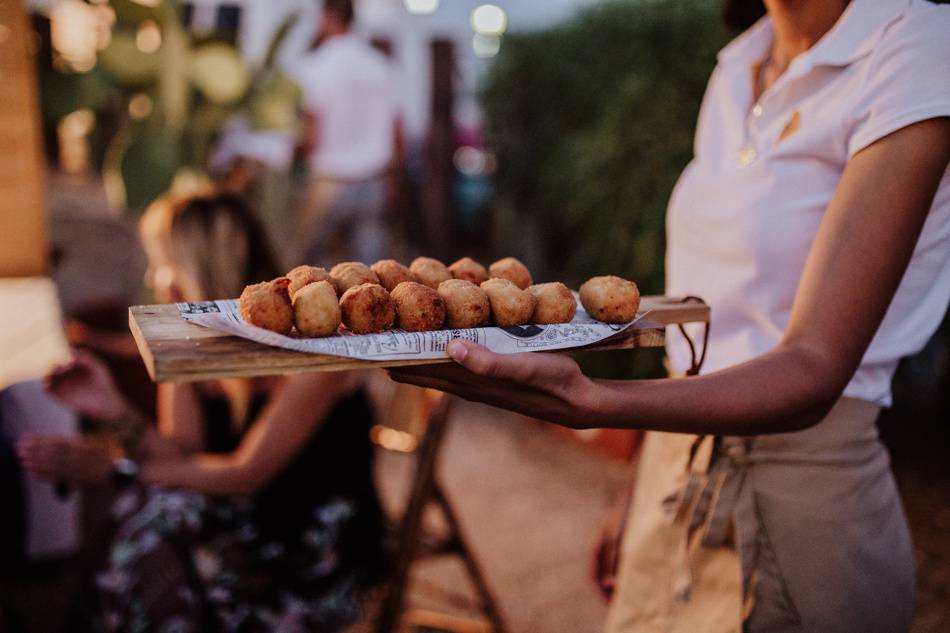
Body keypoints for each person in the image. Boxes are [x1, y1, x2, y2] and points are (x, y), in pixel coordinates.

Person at [390, 0, 950, 632]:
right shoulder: (739, 65)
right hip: (671, 480)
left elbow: (814, 368)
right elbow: (701, 325)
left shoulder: (915, 48)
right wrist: (636, 489)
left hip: (802, 506)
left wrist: (594, 401)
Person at [18, 193, 388, 633]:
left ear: (194, 267)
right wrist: (113, 409)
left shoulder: (317, 344)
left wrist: (112, 468)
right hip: (237, 527)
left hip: (306, 555)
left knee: (151, 524)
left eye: (161, 263)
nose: (154, 278)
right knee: (155, 515)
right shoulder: (194, 340)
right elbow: (178, 456)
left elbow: (244, 473)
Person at [290, 0, 405, 265]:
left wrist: (295, 160)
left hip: (328, 182)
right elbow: (398, 129)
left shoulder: (314, 66)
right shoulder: (381, 65)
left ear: (326, 17)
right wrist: (394, 180)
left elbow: (310, 128)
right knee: (370, 276)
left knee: (308, 273)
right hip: (373, 180)